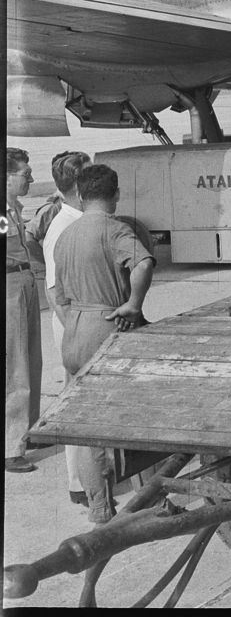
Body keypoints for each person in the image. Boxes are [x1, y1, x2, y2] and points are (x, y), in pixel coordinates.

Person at [54, 164, 155, 524]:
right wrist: (133, 305)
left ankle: (99, 507)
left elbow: (59, 296)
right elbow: (143, 264)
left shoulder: (66, 235)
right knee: (137, 415)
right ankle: (150, 499)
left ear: (81, 195)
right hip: (107, 325)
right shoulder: (115, 229)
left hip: (75, 331)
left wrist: (78, 323)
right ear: (116, 195)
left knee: (87, 428)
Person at [26, 150, 92, 504]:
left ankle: (90, 477)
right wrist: (75, 332)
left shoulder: (78, 219)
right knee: (77, 400)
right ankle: (78, 482)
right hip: (73, 324)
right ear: (79, 185)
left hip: (80, 321)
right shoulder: (63, 225)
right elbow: (54, 292)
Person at [5, 148, 44, 474]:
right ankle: (10, 447)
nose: (30, 178)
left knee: (31, 361)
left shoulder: (13, 208)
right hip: (10, 287)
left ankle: (28, 430)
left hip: (24, 280)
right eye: (25, 174)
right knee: (16, 368)